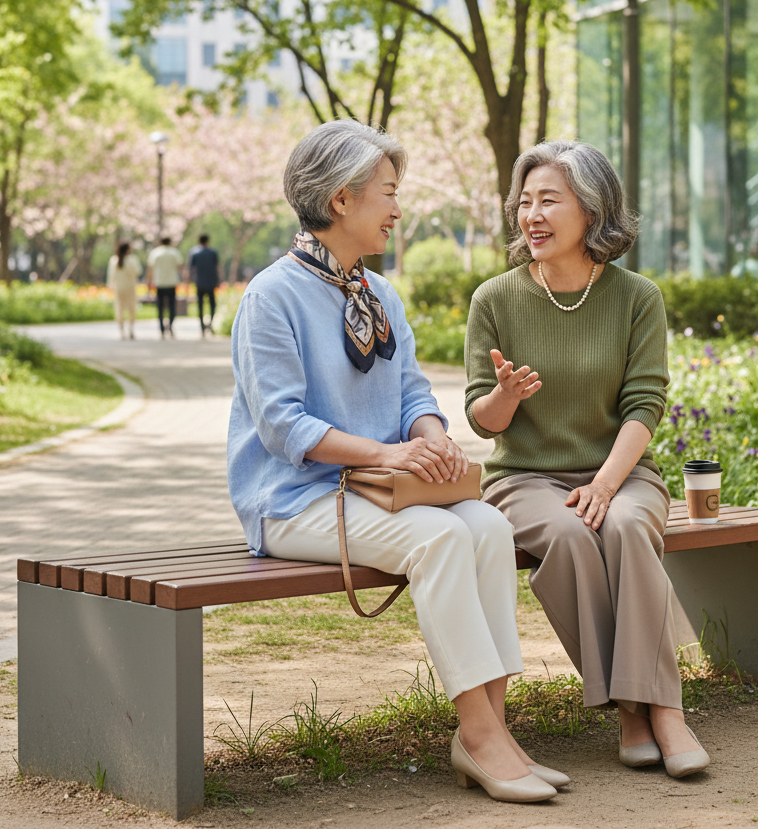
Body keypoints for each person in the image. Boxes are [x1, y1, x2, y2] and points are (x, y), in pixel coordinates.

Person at [226, 119, 562, 803]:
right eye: (387, 193)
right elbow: (283, 424)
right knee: (442, 537)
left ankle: (494, 729)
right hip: (294, 499)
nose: (398, 209)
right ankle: (479, 736)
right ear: (342, 199)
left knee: (490, 527)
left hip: (384, 489)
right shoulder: (271, 296)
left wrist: (432, 436)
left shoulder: (380, 295)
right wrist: (390, 451)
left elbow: (412, 391)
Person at [464, 140, 710, 780]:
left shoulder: (637, 297)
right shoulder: (493, 299)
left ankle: (661, 710)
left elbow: (645, 405)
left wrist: (606, 482)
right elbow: (479, 419)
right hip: (524, 477)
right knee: (572, 536)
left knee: (625, 525)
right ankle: (639, 709)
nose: (532, 215)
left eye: (549, 200)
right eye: (525, 202)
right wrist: (504, 397)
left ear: (592, 210)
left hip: (622, 471)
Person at [147, 236, 184, 339]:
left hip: (159, 283)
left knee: (160, 307)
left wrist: (149, 283)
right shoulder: (174, 252)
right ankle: (171, 326)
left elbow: (150, 270)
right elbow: (180, 268)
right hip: (172, 282)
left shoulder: (155, 253)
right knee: (172, 306)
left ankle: (162, 328)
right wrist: (184, 280)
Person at [106, 242, 142, 340]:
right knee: (131, 308)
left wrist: (110, 285)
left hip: (119, 288)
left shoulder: (114, 260)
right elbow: (137, 272)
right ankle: (131, 330)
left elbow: (111, 276)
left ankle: (122, 331)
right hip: (130, 288)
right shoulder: (132, 260)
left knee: (120, 309)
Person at [188, 234, 221, 336]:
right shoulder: (213, 252)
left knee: (200, 305)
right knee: (212, 304)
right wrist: (219, 280)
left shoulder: (194, 253)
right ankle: (210, 324)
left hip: (199, 282)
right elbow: (218, 267)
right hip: (211, 282)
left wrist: (189, 281)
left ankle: (202, 327)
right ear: (208, 240)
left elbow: (190, 269)